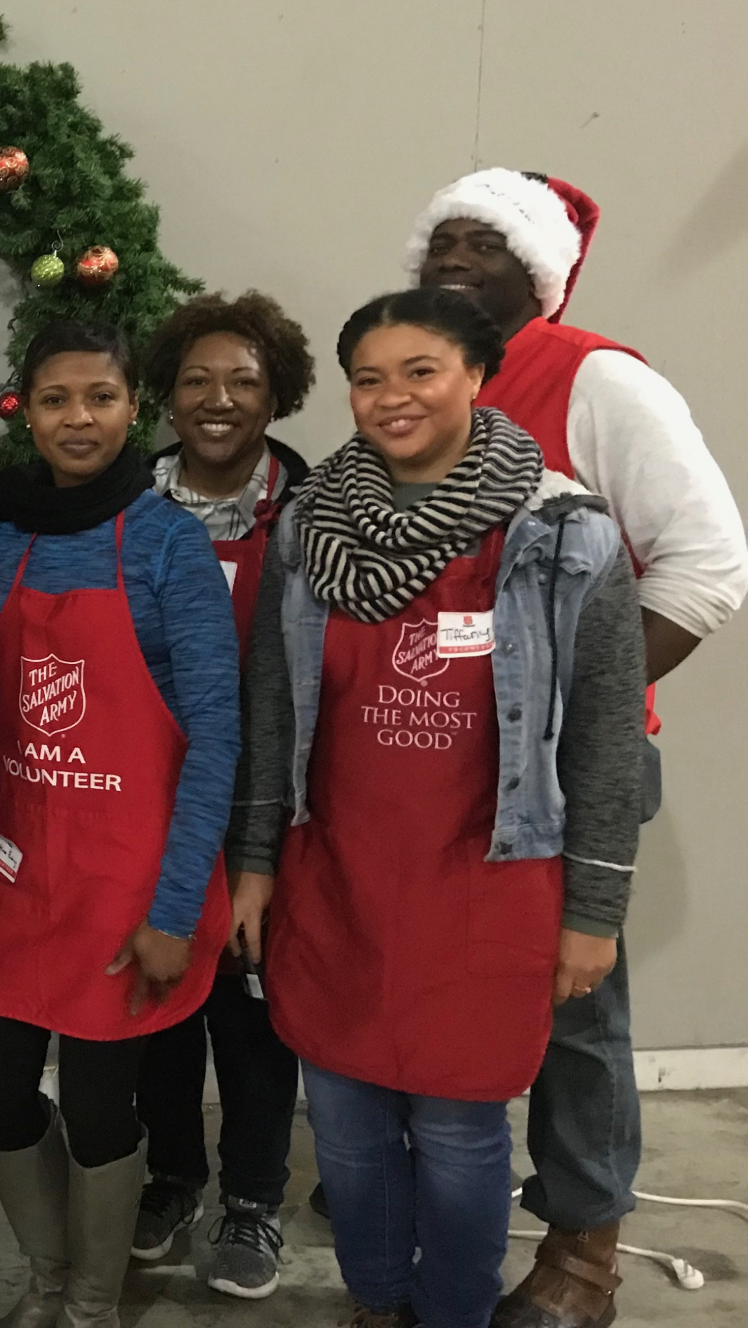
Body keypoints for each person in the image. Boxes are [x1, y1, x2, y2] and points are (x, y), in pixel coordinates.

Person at [232, 288, 647, 1328]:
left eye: (418, 371)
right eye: (366, 378)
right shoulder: (308, 530)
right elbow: (271, 713)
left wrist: (593, 909)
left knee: (462, 1134)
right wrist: (253, 857)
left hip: (485, 887)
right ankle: (377, 1301)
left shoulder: (564, 533)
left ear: (474, 375)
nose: (389, 397)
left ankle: (452, 1308)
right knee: (346, 1125)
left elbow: (602, 732)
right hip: (337, 880)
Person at [405, 168, 748, 1328]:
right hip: (422, 752)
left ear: (540, 266)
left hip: (561, 762)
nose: (454, 252)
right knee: (430, 970)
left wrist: (571, 706)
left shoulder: (594, 376)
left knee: (571, 1001)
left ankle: (582, 1238)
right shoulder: (413, 378)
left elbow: (705, 564)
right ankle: (424, 1186)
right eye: (439, 235)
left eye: (484, 237)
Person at [0, 320, 241, 1328]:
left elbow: (213, 737)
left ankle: (87, 1300)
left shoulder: (168, 545)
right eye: (57, 398)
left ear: (132, 410)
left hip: (129, 878)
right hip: (24, 870)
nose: (79, 418)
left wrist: (173, 906)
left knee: (101, 1105)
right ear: (23, 408)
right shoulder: (7, 539)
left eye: (100, 398)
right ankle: (44, 1267)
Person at [128, 291, 314, 1297]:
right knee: (158, 1002)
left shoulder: (316, 509)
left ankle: (249, 1198)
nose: (217, 398)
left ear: (275, 392)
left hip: (269, 811)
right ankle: (170, 1176)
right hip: (149, 802)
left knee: (250, 1014)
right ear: (165, 393)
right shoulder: (125, 506)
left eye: (243, 380)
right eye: (196, 378)